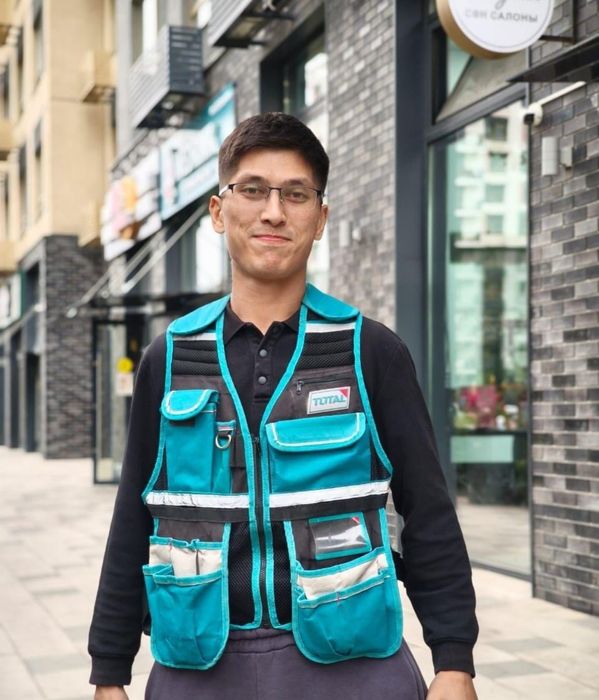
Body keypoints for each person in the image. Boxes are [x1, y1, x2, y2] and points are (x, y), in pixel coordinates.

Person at [89, 112, 478, 700]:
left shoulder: (370, 352)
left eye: (295, 194)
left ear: (320, 219)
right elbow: (133, 517)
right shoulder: (169, 359)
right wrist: (109, 669)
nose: (273, 211)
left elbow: (427, 511)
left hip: (354, 668)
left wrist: (453, 660)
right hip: (199, 670)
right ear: (218, 211)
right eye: (252, 190)